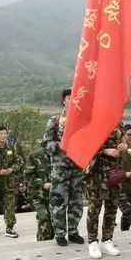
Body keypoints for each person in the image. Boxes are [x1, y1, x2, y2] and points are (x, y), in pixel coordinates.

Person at [42, 89, 85, 247]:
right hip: (60, 170)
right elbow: (46, 143)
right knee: (59, 202)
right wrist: (60, 145)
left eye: (74, 97)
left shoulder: (82, 120)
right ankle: (60, 234)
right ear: (63, 101)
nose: (72, 100)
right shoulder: (55, 121)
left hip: (77, 168)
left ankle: (73, 231)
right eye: (69, 97)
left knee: (76, 201)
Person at [85, 124, 126, 258]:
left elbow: (124, 140)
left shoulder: (118, 123)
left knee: (112, 208)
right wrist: (103, 151)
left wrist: (124, 145)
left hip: (114, 173)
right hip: (96, 175)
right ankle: (92, 242)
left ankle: (107, 240)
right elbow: (83, 146)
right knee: (94, 209)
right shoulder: (93, 121)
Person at [26, 147, 54, 241]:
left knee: (53, 221)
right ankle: (42, 241)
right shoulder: (34, 156)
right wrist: (42, 184)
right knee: (43, 217)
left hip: (54, 194)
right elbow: (28, 175)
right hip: (38, 194)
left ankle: (50, 242)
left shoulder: (60, 154)